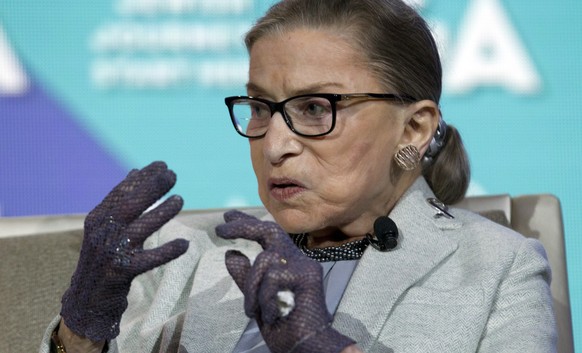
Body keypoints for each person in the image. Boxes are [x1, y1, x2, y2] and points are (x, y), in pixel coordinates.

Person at [40, 0, 557, 352]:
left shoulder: (498, 268)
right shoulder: (182, 256)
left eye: (316, 107)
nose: (275, 144)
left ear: (414, 128)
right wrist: (79, 334)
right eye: (261, 107)